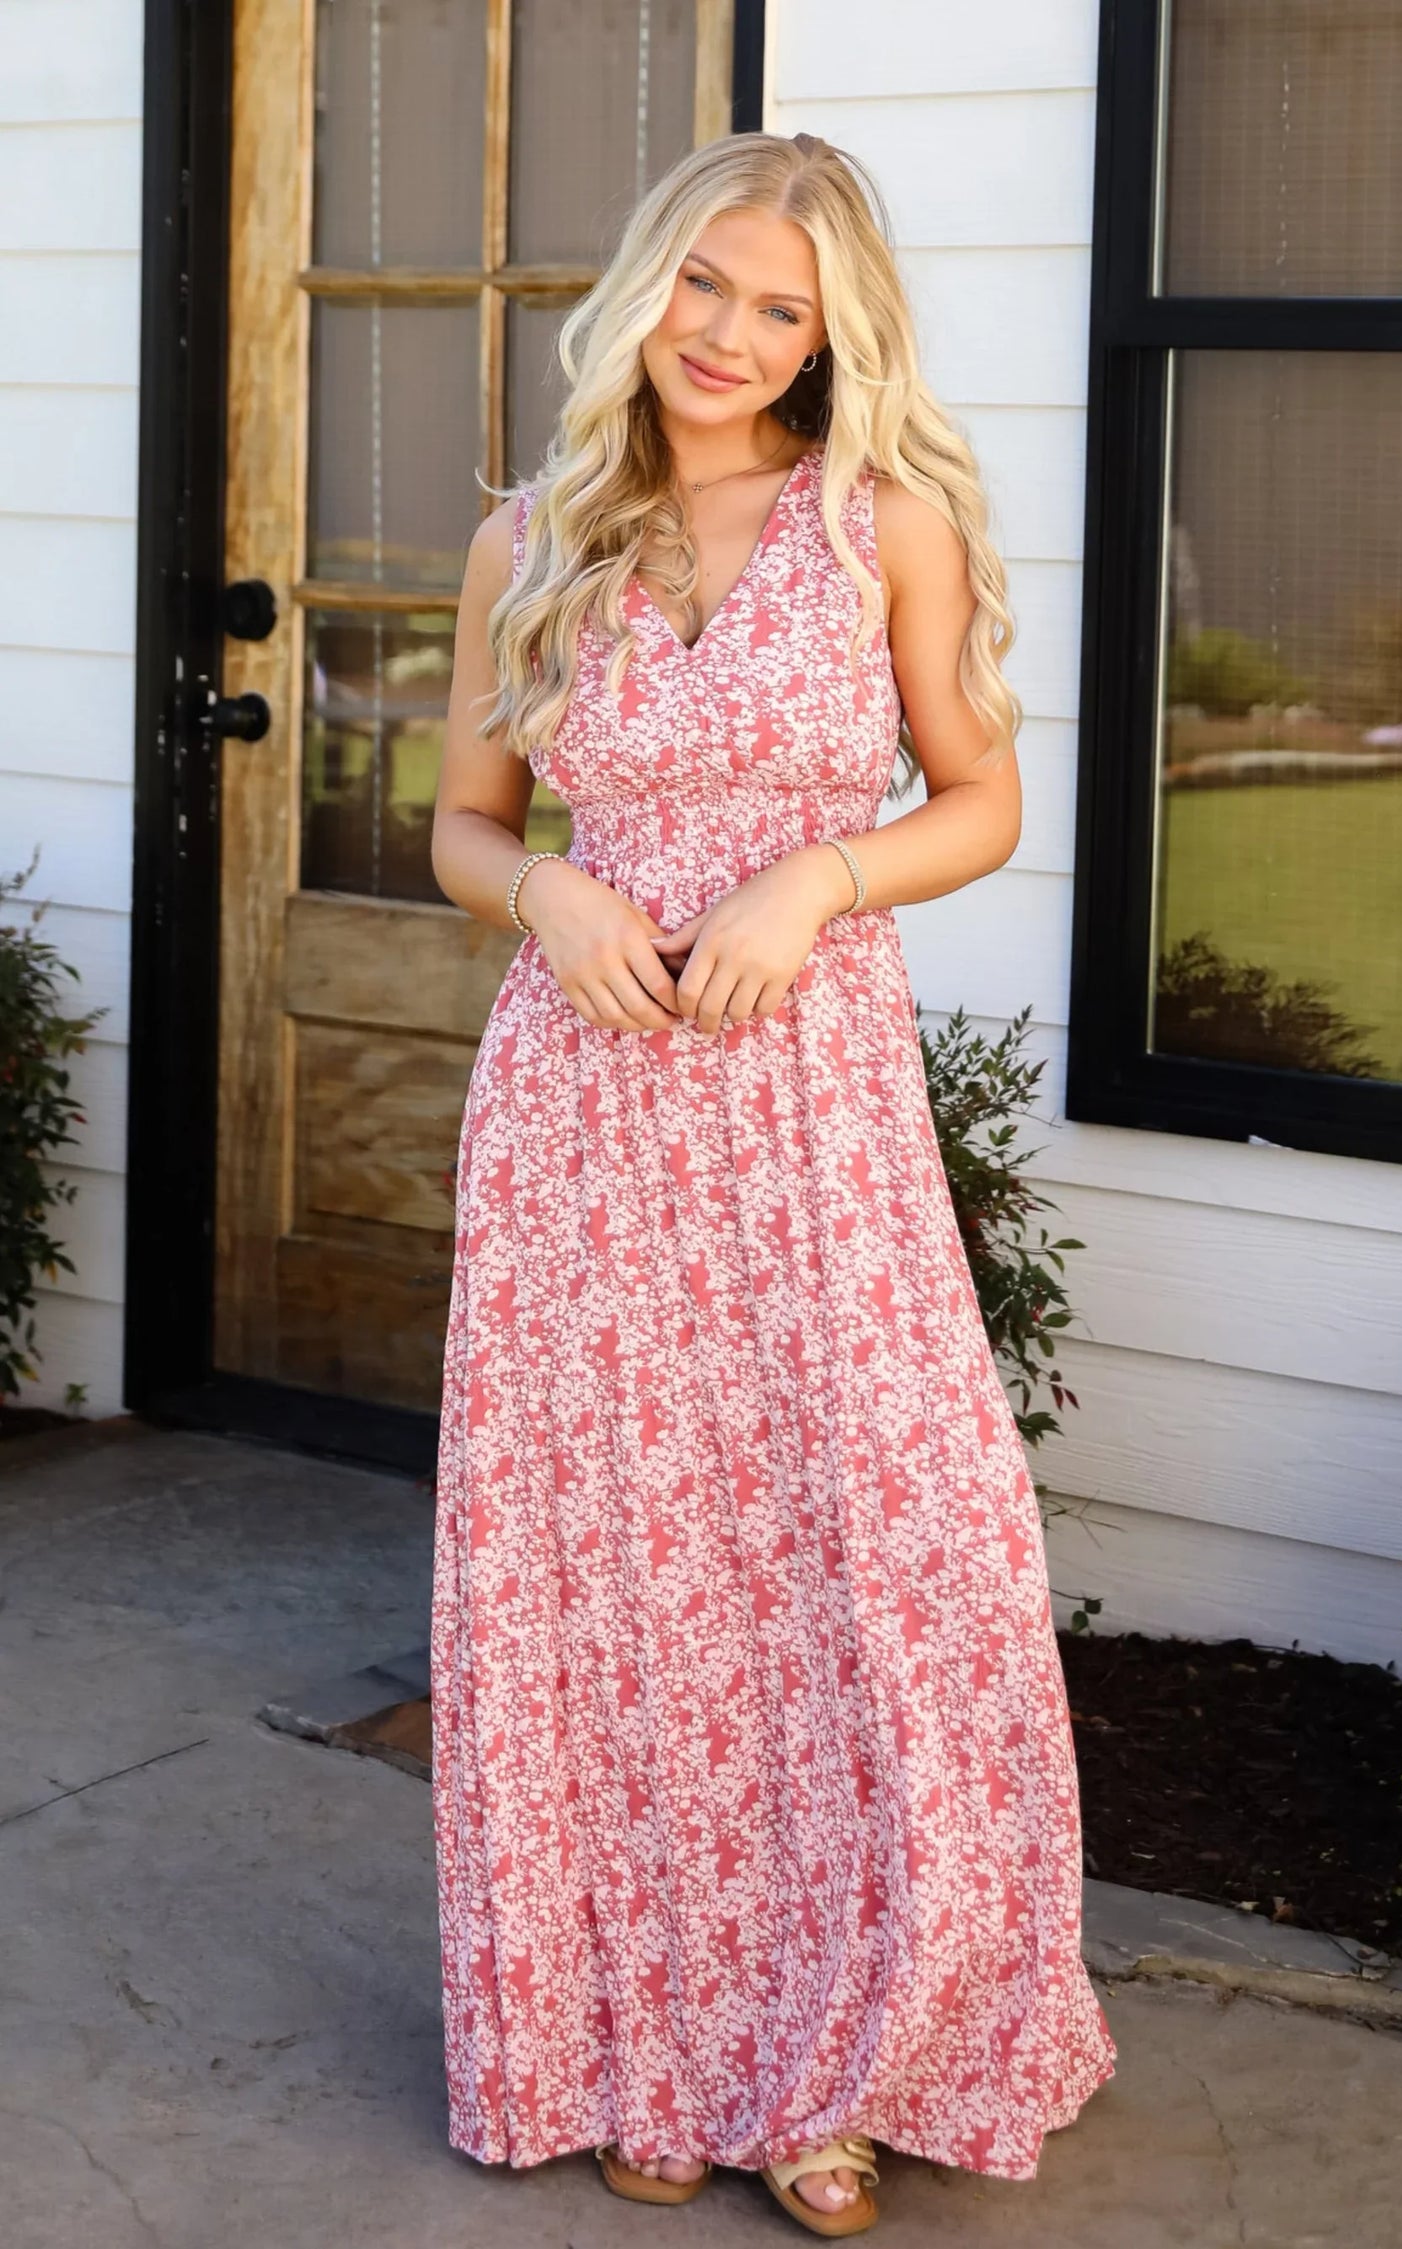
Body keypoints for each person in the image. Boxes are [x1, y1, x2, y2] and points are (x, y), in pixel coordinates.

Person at [428, 128, 1116, 2236]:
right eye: (705, 283)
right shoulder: (529, 536)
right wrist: (543, 889)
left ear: (833, 338)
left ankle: (840, 2056)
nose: (728, 334)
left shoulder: (882, 524)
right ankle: (642, 2042)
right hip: (585, 1123)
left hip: (814, 1116)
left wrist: (819, 875)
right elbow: (462, 822)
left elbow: (981, 798)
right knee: (617, 1587)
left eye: (781, 308)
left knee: (864, 1558)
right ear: (647, 281)